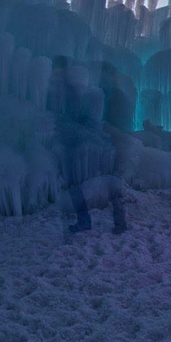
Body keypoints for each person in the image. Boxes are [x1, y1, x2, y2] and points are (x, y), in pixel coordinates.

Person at [49, 56, 127, 234]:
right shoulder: (68, 89)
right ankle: (98, 220)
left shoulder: (76, 92)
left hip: (86, 144)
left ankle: (114, 220)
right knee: (78, 184)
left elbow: (84, 119)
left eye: (56, 69)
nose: (55, 73)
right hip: (79, 144)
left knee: (102, 182)